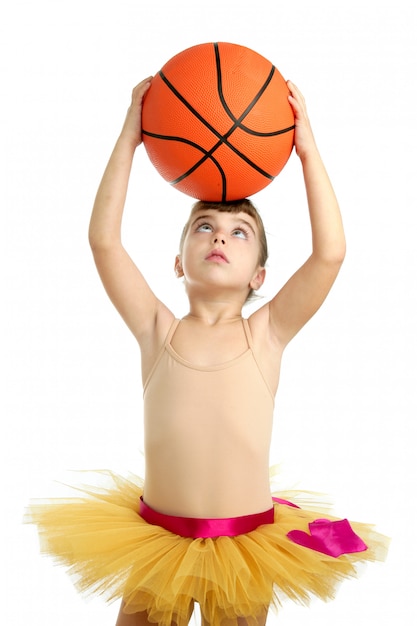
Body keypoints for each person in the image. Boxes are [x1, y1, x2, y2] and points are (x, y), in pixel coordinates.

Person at [26, 78, 388, 626]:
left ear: (260, 275)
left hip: (244, 544)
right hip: (155, 540)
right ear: (178, 262)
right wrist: (131, 135)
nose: (219, 238)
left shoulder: (267, 333)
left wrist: (308, 149)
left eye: (240, 232)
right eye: (203, 227)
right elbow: (104, 241)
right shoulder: (157, 329)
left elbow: (330, 254)